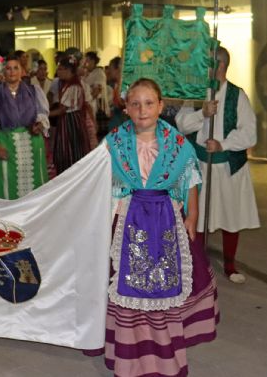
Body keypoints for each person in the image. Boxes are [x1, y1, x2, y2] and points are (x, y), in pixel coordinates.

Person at [98, 78, 218, 376]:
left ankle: (166, 355)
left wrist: (192, 217)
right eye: (135, 104)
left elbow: (189, 180)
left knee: (165, 286)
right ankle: (129, 357)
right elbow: (99, 181)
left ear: (161, 106)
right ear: (125, 108)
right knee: (128, 286)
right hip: (126, 220)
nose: (142, 110)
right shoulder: (112, 142)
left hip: (167, 221)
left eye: (149, 103)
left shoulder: (177, 143)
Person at [175, 46, 260, 283]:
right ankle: (199, 264)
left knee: (230, 214)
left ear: (219, 66)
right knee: (199, 214)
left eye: (207, 64)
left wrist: (223, 144)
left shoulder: (237, 95)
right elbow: (182, 125)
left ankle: (230, 265)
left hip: (228, 166)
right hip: (201, 165)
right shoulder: (195, 93)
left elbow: (250, 133)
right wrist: (202, 114)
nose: (203, 69)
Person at [0, 55, 50, 199]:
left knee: (34, 184)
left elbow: (42, 116)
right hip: (5, 143)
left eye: (15, 68)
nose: (12, 72)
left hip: (32, 144)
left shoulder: (34, 91)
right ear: (3, 72)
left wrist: (39, 126)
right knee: (5, 184)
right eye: (8, 68)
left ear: (22, 71)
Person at [49, 58, 91, 174]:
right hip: (69, 120)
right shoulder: (68, 84)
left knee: (70, 151)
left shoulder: (73, 86)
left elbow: (63, 109)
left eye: (61, 69)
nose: (58, 71)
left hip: (70, 122)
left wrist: (45, 115)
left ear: (69, 70)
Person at [82, 51, 109, 139]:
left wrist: (88, 100)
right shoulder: (86, 73)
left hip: (98, 106)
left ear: (93, 61)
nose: (85, 63)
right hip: (89, 107)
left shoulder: (99, 73)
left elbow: (97, 91)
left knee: (99, 135)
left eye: (88, 60)